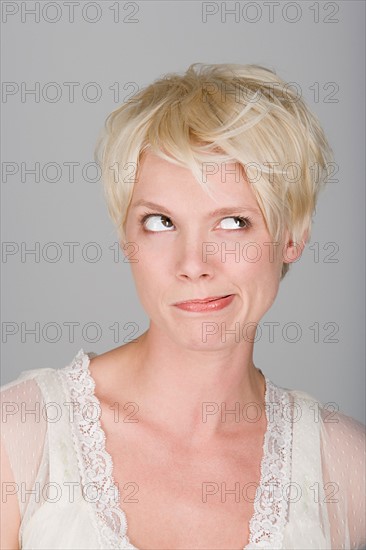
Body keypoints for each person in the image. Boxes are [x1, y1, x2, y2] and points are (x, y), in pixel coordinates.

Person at [1, 63, 365, 550]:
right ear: (126, 236)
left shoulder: (346, 466)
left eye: (234, 222)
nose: (194, 264)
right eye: (160, 222)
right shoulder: (21, 435)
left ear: (293, 235)